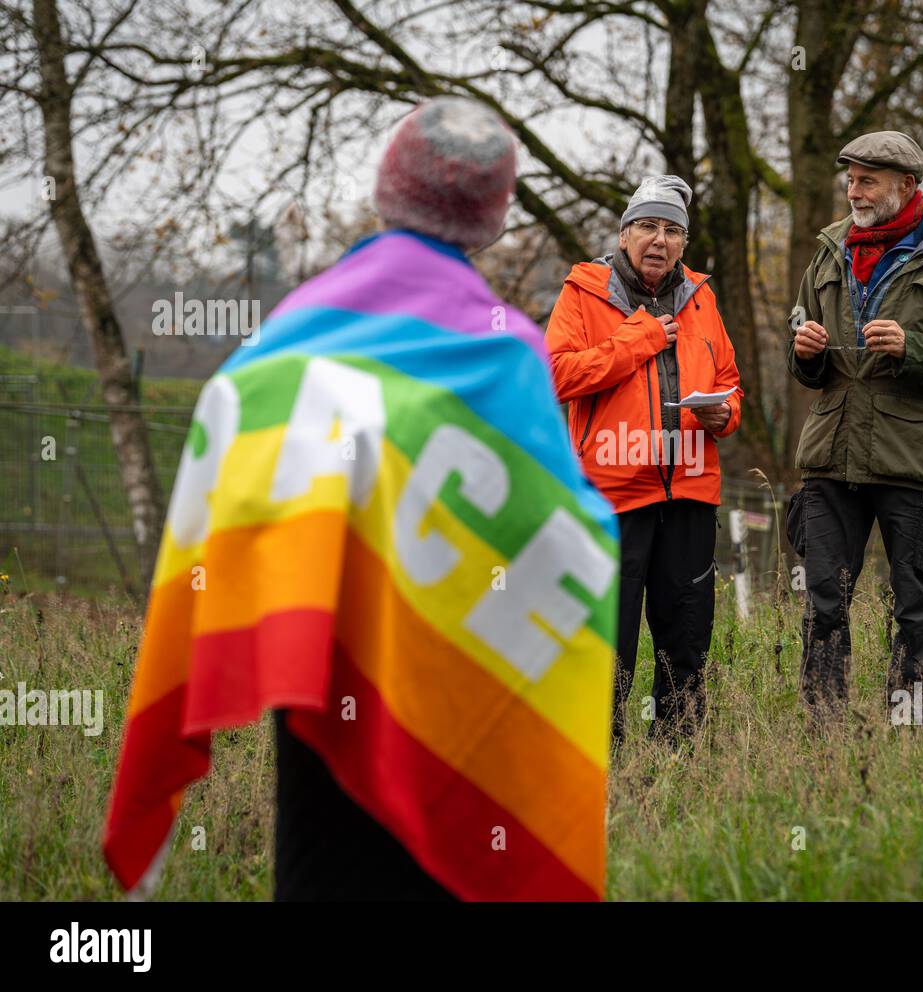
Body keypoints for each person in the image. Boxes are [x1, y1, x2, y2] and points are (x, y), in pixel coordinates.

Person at [104, 97, 618, 902]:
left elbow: (222, 465)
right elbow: (567, 534)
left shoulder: (289, 334)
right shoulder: (503, 346)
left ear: (388, 191)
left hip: (317, 662)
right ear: (490, 218)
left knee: (320, 865)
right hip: (452, 672)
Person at [786, 130, 923, 719]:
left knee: (916, 604)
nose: (853, 192)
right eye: (850, 180)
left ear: (907, 186)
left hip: (915, 458)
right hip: (831, 455)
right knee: (824, 602)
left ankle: (916, 731)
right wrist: (804, 352)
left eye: (867, 181)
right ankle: (822, 735)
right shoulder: (829, 248)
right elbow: (806, 363)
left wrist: (916, 349)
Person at [544, 175, 743, 746]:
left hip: (690, 493)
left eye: (672, 231)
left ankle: (676, 756)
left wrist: (723, 414)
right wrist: (642, 337)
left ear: (684, 243)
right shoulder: (583, 292)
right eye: (648, 227)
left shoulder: (701, 298)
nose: (660, 240)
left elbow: (729, 383)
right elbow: (557, 374)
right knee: (608, 637)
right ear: (625, 234)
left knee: (686, 635)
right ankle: (598, 754)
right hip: (611, 494)